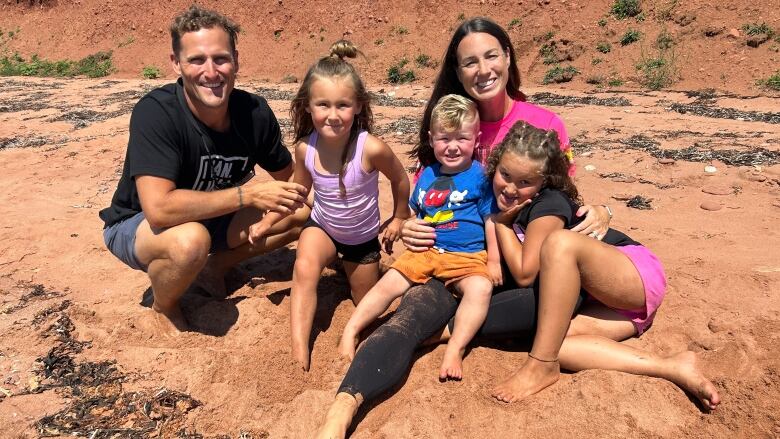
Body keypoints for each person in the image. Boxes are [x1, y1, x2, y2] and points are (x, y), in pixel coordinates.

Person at [98, 5, 308, 335]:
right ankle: (164, 306)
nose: (211, 71)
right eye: (197, 60)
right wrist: (249, 195)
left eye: (221, 59)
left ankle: (215, 266)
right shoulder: (157, 113)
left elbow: (293, 180)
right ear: (176, 64)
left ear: (236, 60)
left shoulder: (254, 114)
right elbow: (159, 211)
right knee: (189, 241)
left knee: (305, 209)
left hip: (215, 217)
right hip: (137, 225)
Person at [482, 121, 717, 408]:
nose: (509, 188)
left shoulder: (548, 204)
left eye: (524, 182)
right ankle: (672, 367)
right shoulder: (512, 203)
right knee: (555, 342)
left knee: (560, 243)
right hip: (616, 306)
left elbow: (524, 273)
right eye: (505, 175)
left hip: (632, 275)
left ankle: (541, 365)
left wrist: (502, 225)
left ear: (543, 182)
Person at [248, 41, 410, 371]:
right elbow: (296, 193)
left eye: (342, 105)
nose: (333, 115)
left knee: (364, 303)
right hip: (323, 227)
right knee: (305, 266)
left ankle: (364, 275)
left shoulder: (371, 148)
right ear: (308, 106)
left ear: (358, 107)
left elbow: (400, 178)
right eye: (323, 105)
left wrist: (399, 217)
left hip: (361, 239)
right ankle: (298, 353)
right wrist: (266, 222)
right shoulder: (306, 149)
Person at [339, 94, 499, 381]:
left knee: (480, 290)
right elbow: (414, 209)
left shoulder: (481, 177)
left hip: (467, 255)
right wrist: (399, 224)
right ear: (431, 138)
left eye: (461, 138)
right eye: (444, 138)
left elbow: (492, 221)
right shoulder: (427, 174)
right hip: (425, 250)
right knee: (387, 284)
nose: (452, 147)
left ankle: (455, 348)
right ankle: (352, 329)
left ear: (476, 138)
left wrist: (495, 260)